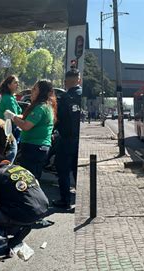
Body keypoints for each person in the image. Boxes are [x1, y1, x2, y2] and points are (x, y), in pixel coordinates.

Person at [0, 156, 49, 249]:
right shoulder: (22, 169)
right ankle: (22, 225)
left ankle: (7, 231)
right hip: (43, 208)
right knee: (13, 206)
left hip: (26, 213)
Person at [4, 79, 56, 179]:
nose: (31, 91)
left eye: (35, 89)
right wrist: (15, 116)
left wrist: (13, 117)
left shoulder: (40, 108)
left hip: (34, 148)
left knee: (28, 179)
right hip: (37, 147)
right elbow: (26, 118)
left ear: (42, 92)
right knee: (30, 178)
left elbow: (26, 125)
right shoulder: (46, 106)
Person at [52, 70, 82, 209]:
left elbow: (57, 119)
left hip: (67, 140)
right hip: (80, 140)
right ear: (78, 80)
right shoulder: (83, 96)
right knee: (77, 171)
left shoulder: (64, 98)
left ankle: (65, 200)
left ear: (66, 81)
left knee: (63, 170)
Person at [0, 75, 22, 140]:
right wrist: (25, 116)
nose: (18, 84)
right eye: (15, 82)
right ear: (9, 85)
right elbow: (15, 117)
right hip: (8, 130)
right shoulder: (8, 98)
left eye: (18, 82)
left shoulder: (10, 97)